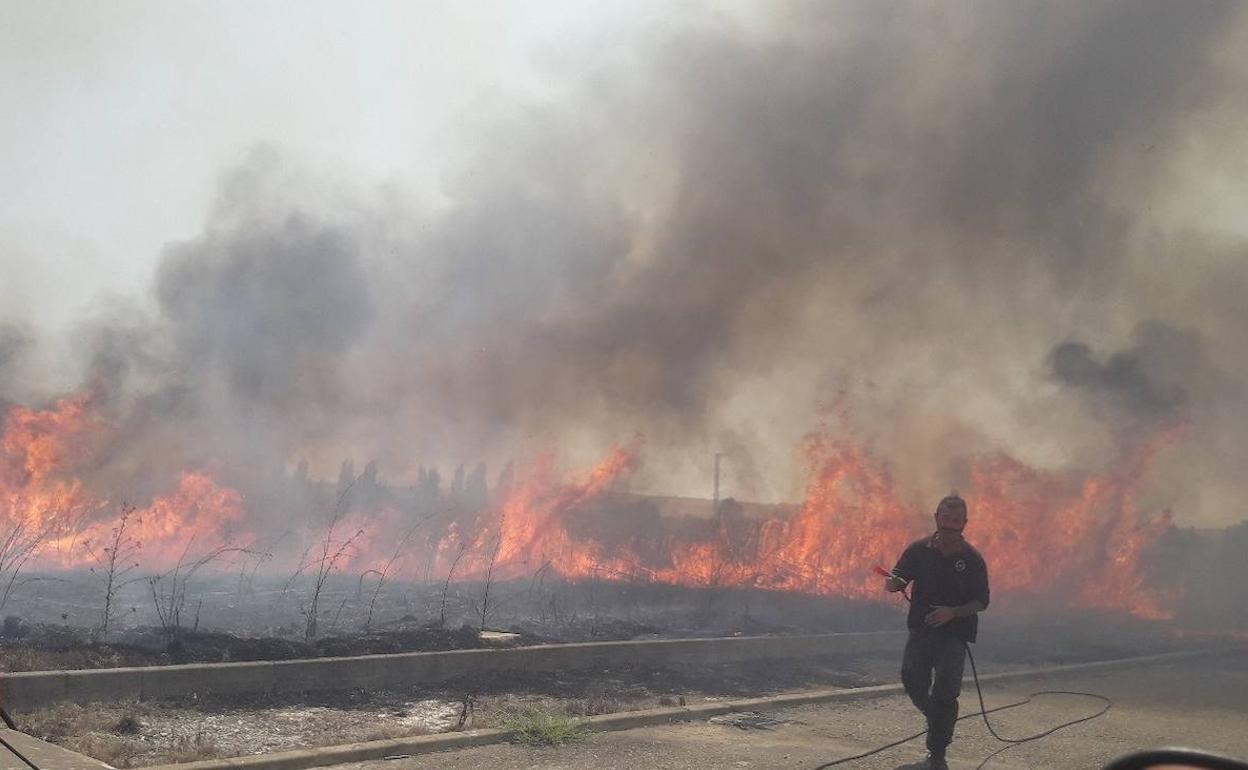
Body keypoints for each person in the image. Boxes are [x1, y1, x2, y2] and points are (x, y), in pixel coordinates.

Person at [884, 494, 990, 770]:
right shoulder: (918, 550)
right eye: (946, 519)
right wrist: (894, 583)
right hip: (922, 628)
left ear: (964, 524)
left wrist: (952, 612)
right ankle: (938, 719)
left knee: (946, 688)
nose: (951, 525)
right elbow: (899, 576)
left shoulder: (972, 559)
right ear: (936, 518)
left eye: (957, 521)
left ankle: (938, 750)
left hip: (955, 633)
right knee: (912, 678)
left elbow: (981, 601)